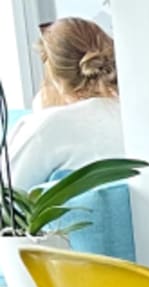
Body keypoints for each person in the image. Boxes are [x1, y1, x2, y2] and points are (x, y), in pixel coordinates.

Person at [7, 18, 124, 189]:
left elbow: (7, 195)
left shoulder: (46, 127)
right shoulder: (138, 116)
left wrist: (42, 116)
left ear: (55, 78)